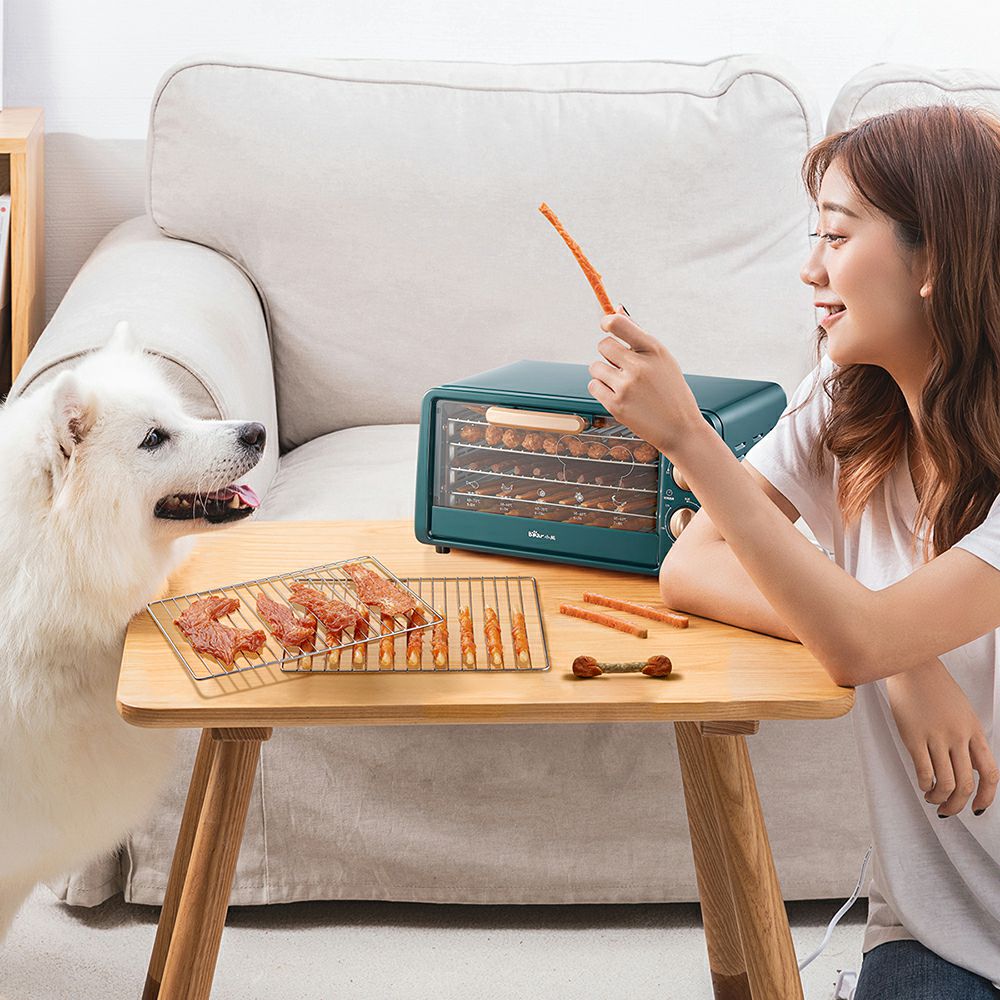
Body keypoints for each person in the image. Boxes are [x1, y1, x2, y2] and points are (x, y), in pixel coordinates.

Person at [586, 103, 1000, 998]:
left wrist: (691, 439)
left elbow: (856, 638)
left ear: (937, 259)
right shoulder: (847, 397)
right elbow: (691, 565)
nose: (810, 267)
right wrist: (904, 659)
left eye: (838, 236)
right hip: (943, 931)